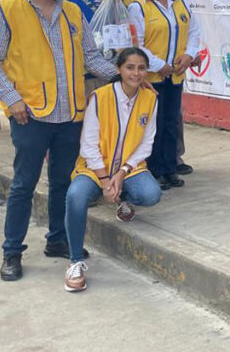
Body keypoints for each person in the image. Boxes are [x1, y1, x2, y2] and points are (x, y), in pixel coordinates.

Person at [0, 0, 118, 282]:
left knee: (62, 182)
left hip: (70, 115)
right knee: (23, 185)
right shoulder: (9, 12)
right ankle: (12, 251)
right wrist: (12, 99)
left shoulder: (71, 12)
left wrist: (123, 75)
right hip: (31, 116)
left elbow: (91, 58)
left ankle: (57, 240)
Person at [63, 48, 161, 292]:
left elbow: (146, 143)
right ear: (118, 69)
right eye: (130, 67)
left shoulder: (151, 98)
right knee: (75, 196)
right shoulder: (100, 96)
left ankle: (122, 199)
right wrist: (106, 180)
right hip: (95, 168)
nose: (136, 73)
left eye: (141, 68)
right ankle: (75, 261)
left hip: (128, 168)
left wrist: (122, 173)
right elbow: (88, 144)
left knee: (151, 194)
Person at [121, 0, 194, 177]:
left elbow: (194, 31)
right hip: (151, 78)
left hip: (175, 76)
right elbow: (136, 43)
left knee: (172, 124)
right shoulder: (138, 8)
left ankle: (170, 169)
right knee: (154, 125)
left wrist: (189, 55)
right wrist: (158, 64)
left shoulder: (179, 2)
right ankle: (154, 171)